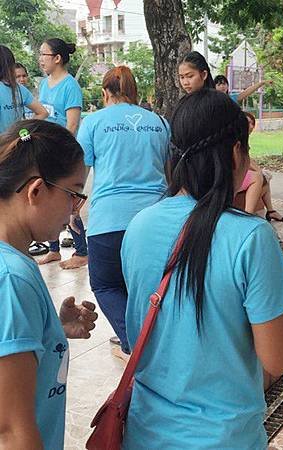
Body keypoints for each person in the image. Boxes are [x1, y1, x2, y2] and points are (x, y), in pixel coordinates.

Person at [121, 88, 283, 448]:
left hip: (145, 433)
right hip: (222, 438)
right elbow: (278, 359)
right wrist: (281, 275)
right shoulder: (251, 237)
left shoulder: (139, 225)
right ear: (236, 152)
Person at [0, 120, 98, 449]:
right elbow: (10, 431)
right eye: (74, 194)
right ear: (37, 190)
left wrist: (48, 330)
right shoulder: (11, 277)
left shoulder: (13, 265)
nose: (75, 208)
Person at [78, 66, 170, 361]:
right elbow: (170, 171)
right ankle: (152, 342)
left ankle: (134, 342)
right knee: (150, 287)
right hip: (156, 220)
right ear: (134, 92)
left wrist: (73, 210)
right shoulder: (159, 122)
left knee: (105, 284)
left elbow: (78, 174)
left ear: (105, 93)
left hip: (108, 220)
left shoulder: (94, 122)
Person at [37, 38, 88, 269]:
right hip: (45, 150)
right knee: (45, 199)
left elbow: (73, 125)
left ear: (57, 58)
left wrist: (59, 150)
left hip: (63, 153)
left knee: (68, 201)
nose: (40, 60)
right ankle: (54, 249)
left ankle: (81, 251)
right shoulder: (44, 84)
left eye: (43, 55)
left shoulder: (70, 86)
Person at [234, 112, 283, 221]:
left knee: (264, 179)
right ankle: (248, 214)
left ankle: (270, 211)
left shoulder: (242, 138)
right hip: (234, 174)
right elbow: (243, 160)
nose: (252, 126)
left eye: (253, 123)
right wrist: (258, 171)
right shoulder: (237, 139)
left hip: (238, 171)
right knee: (258, 177)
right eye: (248, 123)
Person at [0, 46, 47, 132]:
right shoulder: (19, 89)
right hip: (14, 142)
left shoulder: (19, 88)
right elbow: (43, 112)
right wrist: (22, 131)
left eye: (24, 76)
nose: (22, 79)